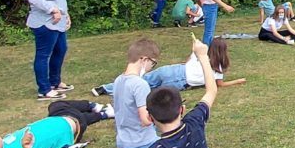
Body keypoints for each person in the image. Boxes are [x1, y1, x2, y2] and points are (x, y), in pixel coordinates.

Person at [92, 37, 239, 96]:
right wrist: (238, 81)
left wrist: (194, 50)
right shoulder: (217, 69)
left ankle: (105, 88)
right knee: (145, 89)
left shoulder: (202, 53)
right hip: (179, 80)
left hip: (173, 69)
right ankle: (120, 91)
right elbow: (220, 85)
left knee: (140, 79)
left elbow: (188, 61)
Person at [104, 38, 162, 148]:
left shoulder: (118, 81)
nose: (151, 67)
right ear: (144, 59)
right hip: (142, 141)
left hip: (123, 139)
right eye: (152, 63)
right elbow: (145, 119)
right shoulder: (140, 84)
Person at [26, 0, 74, 101]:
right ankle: (44, 89)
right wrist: (52, 9)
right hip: (45, 22)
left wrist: (65, 14)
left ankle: (55, 82)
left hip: (58, 22)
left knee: (60, 49)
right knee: (43, 54)